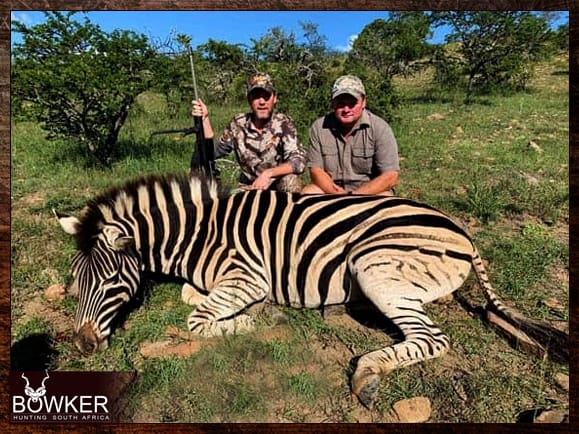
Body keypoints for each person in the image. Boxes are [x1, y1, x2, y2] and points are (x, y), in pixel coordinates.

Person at [192, 73, 306, 192]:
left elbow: (298, 161)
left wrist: (268, 174)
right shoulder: (237, 123)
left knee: (291, 181)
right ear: (249, 99)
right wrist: (205, 120)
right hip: (248, 188)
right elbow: (213, 152)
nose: (262, 102)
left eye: (266, 96)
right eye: (256, 96)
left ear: (275, 98)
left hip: (276, 185)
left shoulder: (284, 123)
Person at [301, 75, 399, 196]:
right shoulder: (319, 127)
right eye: (341, 104)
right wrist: (338, 195)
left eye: (352, 104)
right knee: (308, 192)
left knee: (385, 197)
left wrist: (354, 197)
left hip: (369, 192)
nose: (346, 109)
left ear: (363, 102)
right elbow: (316, 170)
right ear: (333, 103)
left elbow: (390, 176)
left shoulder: (380, 128)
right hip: (332, 191)